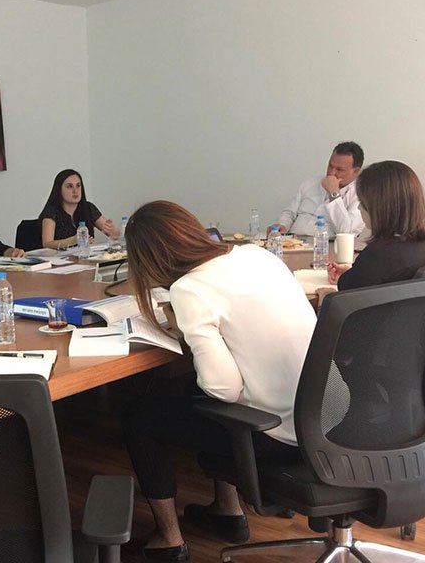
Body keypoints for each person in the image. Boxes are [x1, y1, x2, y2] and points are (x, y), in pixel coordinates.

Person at [122, 201, 315, 562]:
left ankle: (169, 539)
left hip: (277, 433)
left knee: (140, 418)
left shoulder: (189, 289)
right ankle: (228, 511)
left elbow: (223, 389)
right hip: (325, 417)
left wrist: (186, 329)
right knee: (189, 391)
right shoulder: (257, 255)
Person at [327, 161, 425, 290]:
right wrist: (355, 272)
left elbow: (345, 292)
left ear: (378, 207)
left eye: (362, 202)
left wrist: (325, 294)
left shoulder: (378, 255)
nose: (359, 207)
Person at [272, 141, 366, 237]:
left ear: (355, 171)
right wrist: (282, 224)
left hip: (326, 243)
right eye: (330, 166)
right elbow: (290, 212)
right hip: (292, 240)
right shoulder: (311, 182)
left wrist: (334, 194)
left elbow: (346, 231)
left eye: (339, 169)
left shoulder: (361, 194)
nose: (331, 173)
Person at [39, 169, 117, 249]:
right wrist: (73, 240)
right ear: (59, 190)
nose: (75, 191)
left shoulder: (88, 207)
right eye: (70, 186)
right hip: (60, 256)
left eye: (78, 185)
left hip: (86, 255)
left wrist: (112, 230)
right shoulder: (51, 212)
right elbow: (47, 244)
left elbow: (116, 235)